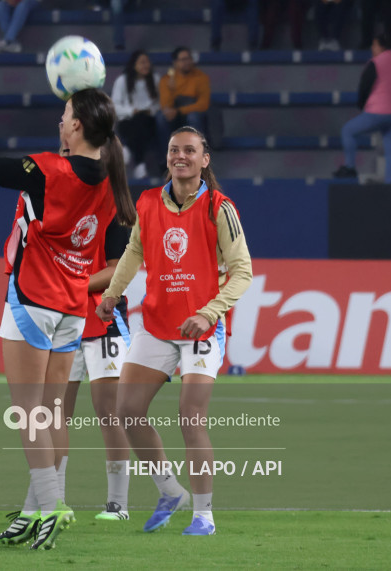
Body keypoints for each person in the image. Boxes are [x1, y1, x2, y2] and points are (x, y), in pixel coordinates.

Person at [0, 83, 136, 549]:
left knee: (28, 412)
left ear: (77, 125)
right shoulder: (111, 181)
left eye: (65, 115)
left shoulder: (47, 169)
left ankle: (53, 504)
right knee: (53, 412)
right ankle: (38, 508)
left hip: (33, 297)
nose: (60, 121)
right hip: (72, 308)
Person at [96, 126, 252, 536]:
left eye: (189, 150)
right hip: (157, 325)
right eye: (173, 150)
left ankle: (204, 516)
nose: (180, 156)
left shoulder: (219, 207)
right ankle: (169, 490)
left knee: (190, 418)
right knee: (127, 411)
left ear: (204, 159)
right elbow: (134, 251)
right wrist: (112, 293)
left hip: (201, 330)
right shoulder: (148, 202)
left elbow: (242, 272)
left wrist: (209, 313)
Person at [62, 215, 133, 521]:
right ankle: (52, 500)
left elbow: (117, 269)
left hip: (104, 319)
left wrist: (68, 287)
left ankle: (118, 504)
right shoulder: (63, 210)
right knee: (55, 413)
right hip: (63, 318)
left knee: (109, 413)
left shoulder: (114, 215)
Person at [332, 34, 391, 183]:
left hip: (378, 112)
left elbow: (364, 87)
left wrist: (362, 105)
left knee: (348, 131)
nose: (372, 48)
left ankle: (350, 167)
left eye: (374, 45)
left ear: (382, 47)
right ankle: (390, 182)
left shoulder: (375, 63)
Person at [112, 50, 160, 180]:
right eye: (142, 62)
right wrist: (131, 111)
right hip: (128, 120)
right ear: (134, 65)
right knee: (136, 125)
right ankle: (140, 164)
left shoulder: (155, 79)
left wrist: (151, 110)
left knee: (143, 122)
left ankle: (128, 150)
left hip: (149, 120)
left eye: (147, 62)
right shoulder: (122, 81)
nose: (146, 65)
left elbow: (159, 103)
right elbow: (114, 106)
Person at [158, 47, 211, 149]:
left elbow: (203, 104)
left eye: (189, 58)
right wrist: (171, 89)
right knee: (161, 117)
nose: (187, 62)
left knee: (193, 117)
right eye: (183, 60)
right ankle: (167, 154)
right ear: (175, 63)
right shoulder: (167, 79)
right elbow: (166, 105)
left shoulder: (201, 77)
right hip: (175, 115)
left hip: (192, 111)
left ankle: (197, 154)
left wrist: (180, 111)